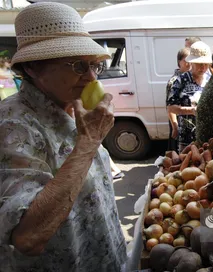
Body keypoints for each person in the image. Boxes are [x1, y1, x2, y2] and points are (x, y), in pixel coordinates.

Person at [0, 3, 127, 271]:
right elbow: (28, 237)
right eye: (79, 65)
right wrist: (89, 142)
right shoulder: (13, 125)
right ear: (33, 68)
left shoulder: (70, 107)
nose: (92, 77)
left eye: (94, 66)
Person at [167, 41, 212, 152]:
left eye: (206, 64)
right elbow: (171, 107)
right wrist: (191, 110)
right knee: (188, 163)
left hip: (208, 133)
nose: (203, 67)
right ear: (192, 62)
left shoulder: (211, 79)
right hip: (187, 135)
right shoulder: (181, 80)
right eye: (199, 64)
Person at [166, 47, 191, 151]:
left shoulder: (192, 78)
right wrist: (175, 126)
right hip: (180, 124)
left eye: (190, 60)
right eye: (186, 60)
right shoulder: (174, 81)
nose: (188, 63)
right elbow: (170, 106)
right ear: (179, 61)